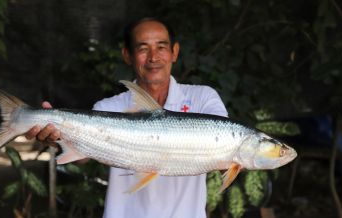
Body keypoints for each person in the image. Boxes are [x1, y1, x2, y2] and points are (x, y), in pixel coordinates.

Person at [25, 17, 228, 218]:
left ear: (174, 52)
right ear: (127, 55)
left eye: (161, 47)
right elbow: (83, 157)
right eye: (142, 48)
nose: (153, 57)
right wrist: (58, 137)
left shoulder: (203, 98)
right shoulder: (108, 107)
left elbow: (226, 150)